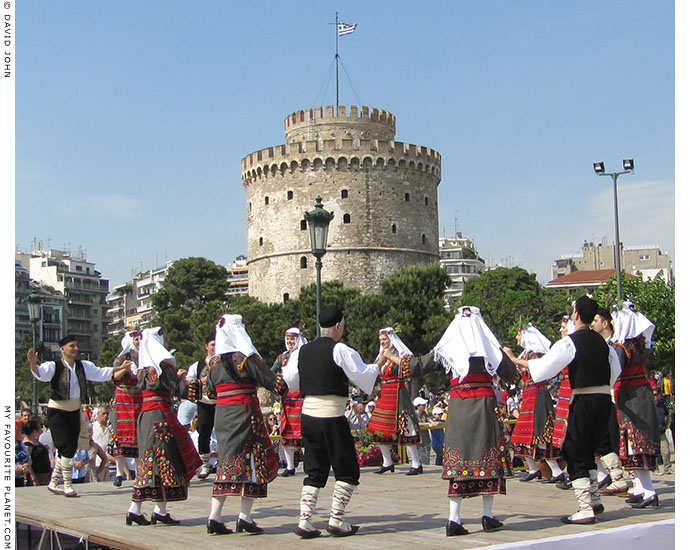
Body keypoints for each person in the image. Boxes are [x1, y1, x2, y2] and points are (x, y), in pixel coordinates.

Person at [504, 296, 621, 525]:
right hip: (604, 398)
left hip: (584, 398)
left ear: (576, 314)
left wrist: (512, 358)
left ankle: (586, 507)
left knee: (575, 448)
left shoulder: (571, 342)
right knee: (590, 447)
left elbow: (545, 367)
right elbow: (615, 371)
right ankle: (594, 499)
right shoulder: (604, 344)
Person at [410, 306, 517, 536]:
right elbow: (510, 372)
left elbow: (417, 367)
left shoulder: (449, 347)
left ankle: (454, 519)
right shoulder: (488, 346)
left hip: (458, 408)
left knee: (459, 460)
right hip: (485, 407)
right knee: (488, 459)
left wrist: (397, 358)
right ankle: (488, 516)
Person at [283, 306, 380, 538]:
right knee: (347, 469)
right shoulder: (340, 349)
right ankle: (336, 519)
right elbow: (363, 376)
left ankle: (305, 521)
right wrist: (379, 363)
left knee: (314, 470)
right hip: (332, 416)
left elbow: (291, 382)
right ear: (337, 326)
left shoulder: (301, 351)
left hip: (308, 416)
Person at [204, 314, 286, 536]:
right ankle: (244, 517)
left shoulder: (214, 363)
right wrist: (283, 385)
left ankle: (216, 517)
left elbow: (210, 392)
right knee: (252, 462)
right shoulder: (245, 358)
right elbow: (270, 381)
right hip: (244, 412)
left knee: (226, 460)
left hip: (222, 414)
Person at [26, 335, 128, 497]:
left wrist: (120, 368)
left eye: (76, 346)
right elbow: (41, 374)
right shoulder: (54, 366)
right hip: (58, 411)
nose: (76, 348)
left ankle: (54, 482)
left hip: (74, 411)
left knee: (70, 447)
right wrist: (32, 363)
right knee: (66, 446)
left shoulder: (82, 366)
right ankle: (67, 485)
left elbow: (101, 373)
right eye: (72, 346)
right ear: (63, 349)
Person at [125, 328, 202, 527]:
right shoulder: (162, 366)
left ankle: (157, 510)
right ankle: (137, 509)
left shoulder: (143, 368)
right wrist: (194, 385)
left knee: (154, 463)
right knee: (163, 461)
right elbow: (179, 388)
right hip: (160, 416)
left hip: (146, 415)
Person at [610, 302, 661, 507]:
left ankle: (649, 491)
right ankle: (641, 488)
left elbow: (615, 370)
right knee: (638, 443)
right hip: (642, 393)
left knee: (635, 443)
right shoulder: (642, 344)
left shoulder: (622, 347)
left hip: (631, 397)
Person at [508, 324, 565, 484]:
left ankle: (556, 471)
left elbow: (537, 370)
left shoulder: (535, 355)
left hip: (538, 396)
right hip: (528, 396)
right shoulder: (526, 354)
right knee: (520, 435)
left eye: (519, 335)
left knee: (540, 435)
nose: (517, 338)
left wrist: (513, 358)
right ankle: (533, 469)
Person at [367, 327, 424, 475]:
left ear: (392, 339)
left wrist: (391, 357)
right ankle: (387, 462)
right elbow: (374, 372)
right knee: (378, 426)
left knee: (406, 426)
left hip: (398, 393)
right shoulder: (381, 355)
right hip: (385, 395)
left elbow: (408, 369)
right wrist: (381, 360)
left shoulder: (400, 353)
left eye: (385, 339)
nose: (382, 342)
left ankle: (416, 463)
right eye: (380, 340)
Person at [590, 308, 629, 496]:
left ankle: (619, 478)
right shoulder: (605, 345)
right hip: (607, 396)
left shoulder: (614, 347)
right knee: (602, 438)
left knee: (611, 438)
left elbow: (615, 372)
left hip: (612, 396)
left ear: (605, 323)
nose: (593, 324)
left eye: (596, 320)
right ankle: (608, 476)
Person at [271, 327, 308, 477]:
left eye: (293, 339)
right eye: (288, 339)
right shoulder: (282, 357)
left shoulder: (305, 355)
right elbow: (272, 371)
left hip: (303, 398)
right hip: (287, 399)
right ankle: (290, 466)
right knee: (287, 432)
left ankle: (309, 465)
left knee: (306, 432)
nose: (290, 342)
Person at [186, 335, 218, 480]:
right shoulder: (197, 365)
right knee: (203, 432)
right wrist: (202, 381)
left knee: (223, 432)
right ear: (206, 346)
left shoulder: (223, 364)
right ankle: (205, 465)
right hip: (204, 403)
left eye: (216, 344)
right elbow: (189, 381)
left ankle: (223, 463)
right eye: (212, 344)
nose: (214, 347)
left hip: (220, 402)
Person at [21, 419, 52, 485]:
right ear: (33, 431)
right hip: (37, 475)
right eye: (38, 429)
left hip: (46, 473)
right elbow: (27, 463)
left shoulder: (36, 441)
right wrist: (33, 478)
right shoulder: (27, 445)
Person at [91, 405, 116, 482]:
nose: (105, 416)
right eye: (103, 413)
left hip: (108, 464)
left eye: (107, 414)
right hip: (96, 463)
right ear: (98, 414)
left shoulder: (109, 429)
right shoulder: (92, 426)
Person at [413, 397, 432, 465]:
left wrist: (433, 423)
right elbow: (416, 424)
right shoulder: (414, 414)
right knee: (421, 453)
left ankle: (427, 465)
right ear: (418, 406)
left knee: (427, 453)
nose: (424, 406)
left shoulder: (424, 413)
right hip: (418, 437)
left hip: (426, 437)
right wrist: (428, 424)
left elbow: (429, 419)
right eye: (423, 405)